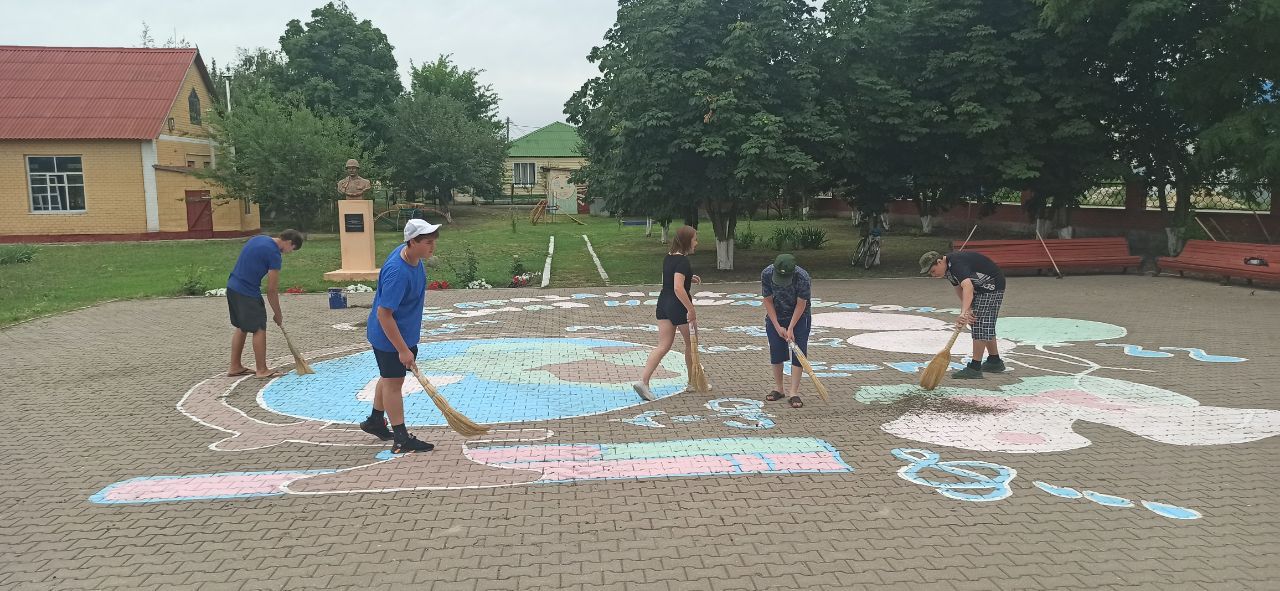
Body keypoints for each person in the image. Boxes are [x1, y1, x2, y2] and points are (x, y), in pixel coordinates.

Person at [360, 219, 440, 454]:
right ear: (412, 242)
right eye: (427, 243)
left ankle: (375, 420)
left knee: (388, 378)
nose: (432, 247)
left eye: (433, 242)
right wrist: (402, 349)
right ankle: (401, 439)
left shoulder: (411, 257)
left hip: (402, 334)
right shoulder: (398, 272)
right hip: (389, 338)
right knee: (394, 385)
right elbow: (384, 315)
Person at [633, 225, 701, 401]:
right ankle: (693, 382)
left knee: (663, 345)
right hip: (678, 305)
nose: (697, 243)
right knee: (691, 344)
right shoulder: (683, 262)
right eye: (694, 239)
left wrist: (689, 277)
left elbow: (671, 278)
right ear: (687, 241)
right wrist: (690, 309)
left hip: (663, 303)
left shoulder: (669, 258)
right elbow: (678, 288)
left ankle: (643, 381)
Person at [225, 230, 303, 379]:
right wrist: (278, 314)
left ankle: (235, 366)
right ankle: (262, 370)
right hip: (247, 292)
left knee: (242, 327)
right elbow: (272, 290)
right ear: (289, 243)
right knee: (259, 328)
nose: (289, 253)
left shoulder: (259, 238)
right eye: (292, 249)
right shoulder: (274, 254)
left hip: (232, 287)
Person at [919, 250, 1007, 379]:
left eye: (932, 271)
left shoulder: (956, 264)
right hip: (980, 287)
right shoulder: (947, 270)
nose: (933, 275)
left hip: (991, 286)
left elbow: (968, 287)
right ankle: (994, 361)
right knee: (984, 323)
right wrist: (969, 309)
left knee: (978, 322)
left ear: (939, 262)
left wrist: (964, 312)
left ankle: (975, 367)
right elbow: (958, 287)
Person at [761, 254, 812, 408]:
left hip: (800, 317)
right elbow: (768, 300)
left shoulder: (802, 277)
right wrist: (777, 326)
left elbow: (801, 304)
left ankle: (793, 392)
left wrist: (790, 328)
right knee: (776, 349)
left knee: (799, 352)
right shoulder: (767, 273)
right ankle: (779, 388)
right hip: (776, 314)